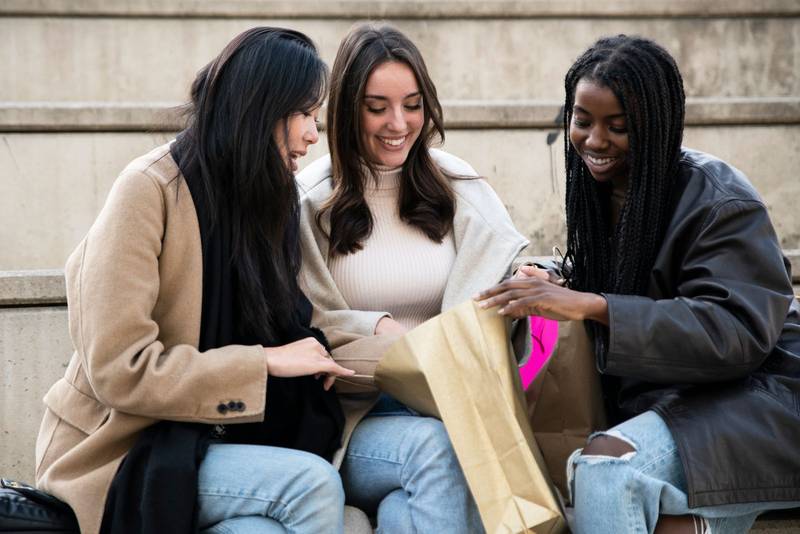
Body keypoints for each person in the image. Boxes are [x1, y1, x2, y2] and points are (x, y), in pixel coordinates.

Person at [34, 27, 358, 534]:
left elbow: (309, 322)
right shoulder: (149, 189)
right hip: (130, 448)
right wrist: (265, 361)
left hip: (220, 439)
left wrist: (406, 345)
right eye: (305, 115)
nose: (314, 136)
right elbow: (120, 368)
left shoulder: (269, 201)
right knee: (311, 483)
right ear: (260, 106)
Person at [476, 34, 800, 534]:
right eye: (582, 121)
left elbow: (735, 331)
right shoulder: (606, 190)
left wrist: (593, 304)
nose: (595, 141)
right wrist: (558, 282)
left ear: (656, 125)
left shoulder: (721, 201)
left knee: (606, 467)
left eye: (619, 127)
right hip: (684, 396)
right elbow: (632, 282)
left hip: (757, 398)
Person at [296, 22, 529, 533]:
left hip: (452, 404)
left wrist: (524, 283)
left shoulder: (459, 189)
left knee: (408, 515)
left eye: (413, 104)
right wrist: (378, 329)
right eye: (376, 107)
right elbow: (295, 317)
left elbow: (501, 278)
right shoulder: (310, 201)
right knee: (438, 452)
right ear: (344, 110)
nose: (397, 123)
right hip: (354, 417)